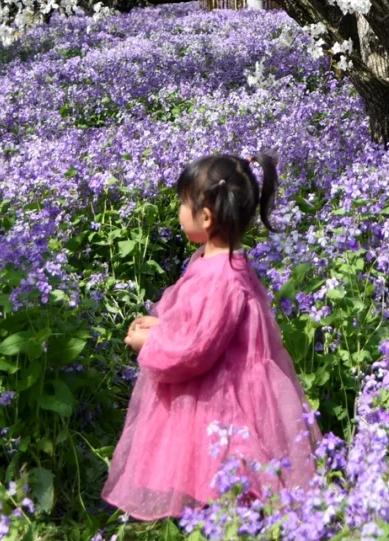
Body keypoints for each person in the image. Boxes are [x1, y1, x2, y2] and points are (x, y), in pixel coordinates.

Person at [103, 153, 318, 519]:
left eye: (182, 204)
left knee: (226, 467)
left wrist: (150, 344)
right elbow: (199, 323)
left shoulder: (222, 280)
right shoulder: (219, 261)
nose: (178, 211)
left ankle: (231, 519)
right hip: (226, 382)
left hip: (222, 395)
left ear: (206, 217)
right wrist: (161, 325)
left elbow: (195, 350)